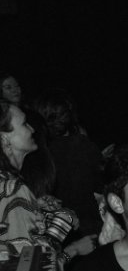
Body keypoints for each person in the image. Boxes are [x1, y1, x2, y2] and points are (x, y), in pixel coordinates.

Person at [0, 99, 82, 266]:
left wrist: (36, 209)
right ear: (4, 137)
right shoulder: (13, 190)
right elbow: (30, 268)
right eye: (24, 124)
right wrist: (63, 224)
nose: (32, 129)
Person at [33, 88, 105, 238]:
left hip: (55, 229)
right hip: (87, 226)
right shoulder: (84, 146)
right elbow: (99, 187)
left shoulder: (35, 152)